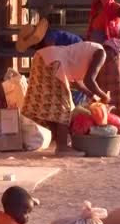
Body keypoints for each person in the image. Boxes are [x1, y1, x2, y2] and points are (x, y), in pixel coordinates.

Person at [16, 19, 114, 156]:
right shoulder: (101, 53)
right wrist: (104, 96)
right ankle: (62, 147)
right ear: (112, 52)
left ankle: (60, 143)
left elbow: (78, 82)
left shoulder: (85, 53)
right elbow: (90, 80)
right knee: (64, 108)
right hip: (54, 63)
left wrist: (93, 96)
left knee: (51, 107)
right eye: (115, 56)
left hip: (43, 60)